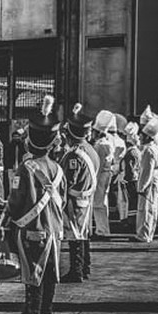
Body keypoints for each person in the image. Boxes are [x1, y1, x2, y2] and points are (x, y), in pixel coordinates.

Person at [6, 96, 65, 314]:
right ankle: (47, 309)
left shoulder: (26, 168)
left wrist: (9, 216)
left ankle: (32, 313)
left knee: (33, 273)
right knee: (50, 271)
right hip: (54, 228)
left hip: (34, 228)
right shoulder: (58, 168)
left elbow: (16, 200)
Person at [59, 105, 97, 283]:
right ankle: (85, 267)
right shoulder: (90, 149)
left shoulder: (74, 154)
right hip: (86, 197)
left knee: (75, 235)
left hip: (75, 198)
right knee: (84, 233)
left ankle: (76, 270)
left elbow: (68, 179)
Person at [135, 116, 158, 242]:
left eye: (141, 136)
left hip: (150, 181)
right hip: (154, 179)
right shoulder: (154, 149)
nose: (139, 138)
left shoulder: (148, 151)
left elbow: (147, 171)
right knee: (151, 207)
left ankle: (143, 234)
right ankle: (148, 233)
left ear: (147, 137)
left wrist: (141, 186)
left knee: (146, 208)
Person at [90, 110, 117, 240]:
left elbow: (98, 164)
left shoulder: (99, 146)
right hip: (107, 174)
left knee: (98, 204)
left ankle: (102, 230)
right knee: (102, 203)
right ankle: (103, 229)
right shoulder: (108, 143)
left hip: (100, 175)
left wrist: (93, 179)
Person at [120, 122, 141, 228]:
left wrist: (127, 180)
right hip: (136, 178)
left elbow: (130, 169)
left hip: (132, 179)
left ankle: (131, 221)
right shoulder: (137, 151)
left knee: (131, 200)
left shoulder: (130, 153)